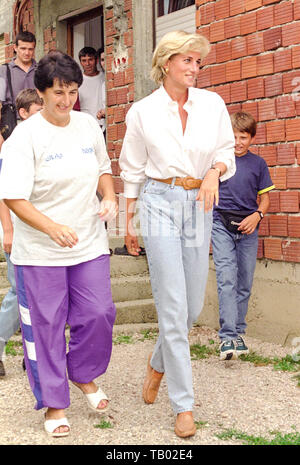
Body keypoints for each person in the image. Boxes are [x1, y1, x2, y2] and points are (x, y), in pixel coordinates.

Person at [119, 30, 236, 438]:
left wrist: (212, 173)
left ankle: (157, 363)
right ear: (166, 63)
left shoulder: (213, 104)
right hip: (158, 203)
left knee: (191, 309)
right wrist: (127, 223)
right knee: (172, 306)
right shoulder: (142, 112)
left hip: (199, 204)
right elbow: (131, 172)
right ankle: (183, 405)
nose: (195, 68)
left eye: (198, 62)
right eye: (187, 60)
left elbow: (226, 152)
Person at [0, 51, 117, 437]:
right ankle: (54, 403)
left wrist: (109, 196)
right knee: (47, 325)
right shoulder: (24, 138)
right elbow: (14, 197)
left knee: (99, 312)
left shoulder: (85, 126)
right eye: (58, 93)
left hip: (87, 242)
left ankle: (82, 374)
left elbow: (103, 168)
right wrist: (50, 227)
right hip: (40, 250)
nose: (66, 101)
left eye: (72, 91)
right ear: (41, 91)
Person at [211, 111, 275, 361]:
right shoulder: (220, 162)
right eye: (234, 137)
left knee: (244, 282)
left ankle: (238, 332)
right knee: (226, 278)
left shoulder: (258, 164)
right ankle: (227, 338)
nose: (238, 142)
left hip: (249, 226)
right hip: (222, 223)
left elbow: (266, 199)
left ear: (252, 138)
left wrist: (257, 216)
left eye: (243, 137)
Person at [0, 88, 43, 378]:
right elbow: (4, 194)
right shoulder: (13, 145)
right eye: (38, 111)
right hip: (16, 227)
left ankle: (35, 353)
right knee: (19, 291)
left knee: (40, 292)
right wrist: (9, 229)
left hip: (41, 229)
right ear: (23, 114)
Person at [0, 31, 37, 150]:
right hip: (13, 125)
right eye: (23, 48)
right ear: (15, 48)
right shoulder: (4, 71)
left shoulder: (41, 69)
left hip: (39, 124)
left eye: (30, 49)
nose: (27, 53)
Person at [78, 46, 106, 137]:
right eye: (84, 60)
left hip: (103, 126)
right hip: (85, 128)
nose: (87, 64)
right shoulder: (77, 81)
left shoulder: (105, 78)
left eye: (90, 60)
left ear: (96, 60)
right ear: (80, 62)